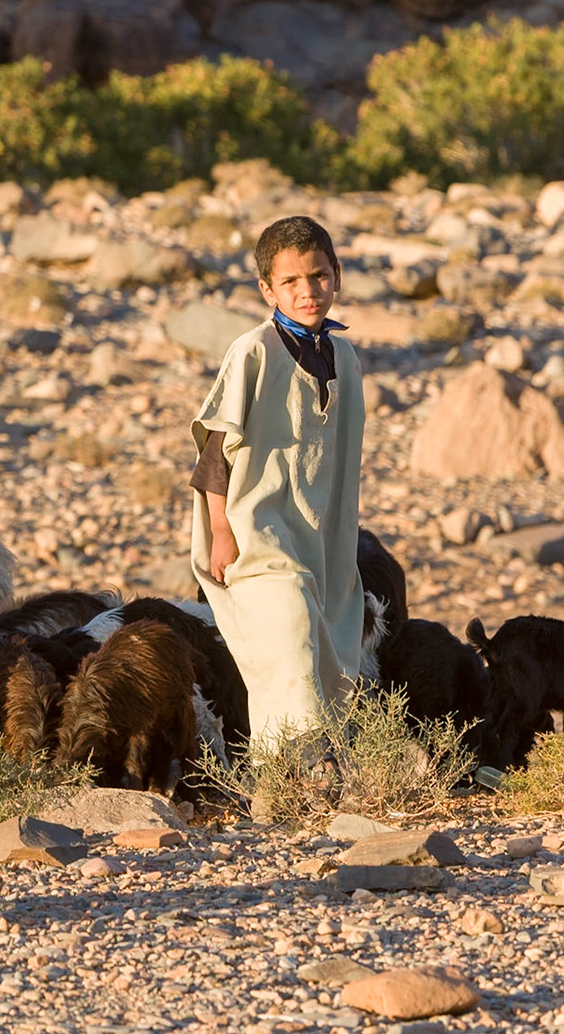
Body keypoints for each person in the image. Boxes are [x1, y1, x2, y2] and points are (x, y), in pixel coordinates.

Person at [188, 215, 365, 750]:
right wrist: (222, 529)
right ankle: (299, 769)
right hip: (255, 529)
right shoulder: (253, 351)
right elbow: (216, 451)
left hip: (322, 538)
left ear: (336, 274)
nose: (307, 291)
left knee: (329, 649)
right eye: (290, 281)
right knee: (285, 631)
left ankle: (299, 775)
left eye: (317, 276)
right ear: (267, 288)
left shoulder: (346, 357)